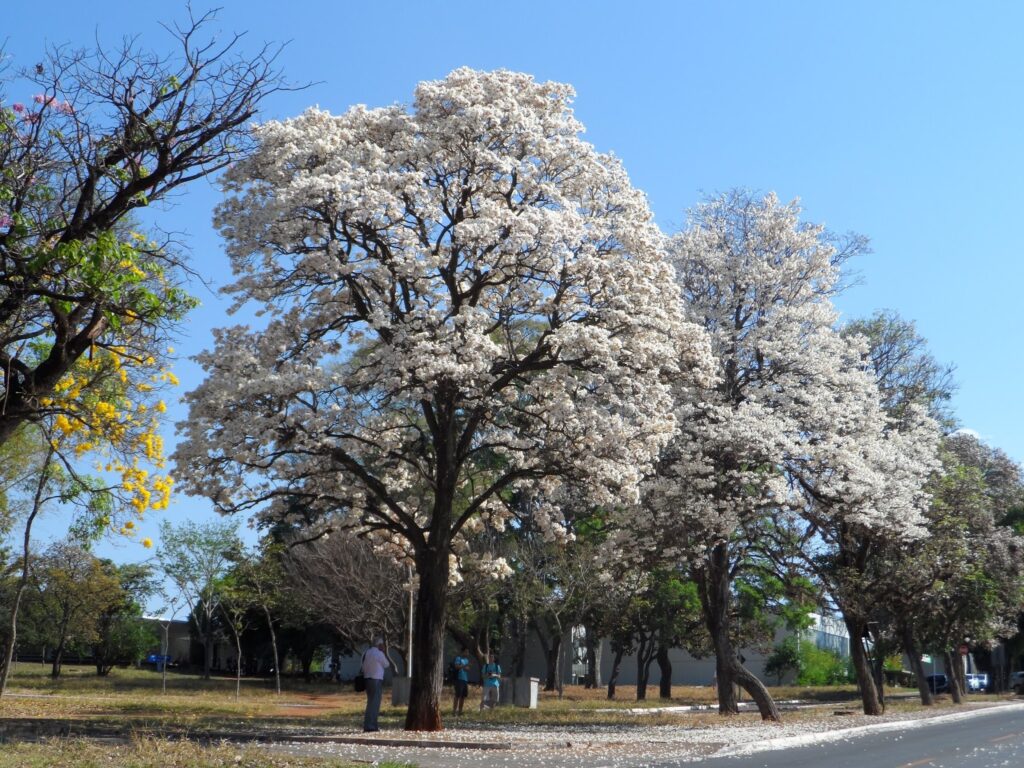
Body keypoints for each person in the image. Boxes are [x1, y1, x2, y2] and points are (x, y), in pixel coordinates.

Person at [361, 637, 389, 732]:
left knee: (370, 702)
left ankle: (368, 724)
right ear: (379, 645)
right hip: (376, 680)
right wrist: (383, 652)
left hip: (367, 679)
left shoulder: (366, 652)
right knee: (375, 704)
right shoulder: (379, 653)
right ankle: (371, 726)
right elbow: (386, 664)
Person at [452, 646, 470, 714]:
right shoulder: (458, 658)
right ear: (462, 652)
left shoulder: (467, 660)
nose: (467, 653)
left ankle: (460, 711)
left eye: (468, 652)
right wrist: (463, 666)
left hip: (465, 679)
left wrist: (466, 668)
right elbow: (456, 666)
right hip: (459, 679)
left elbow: (467, 668)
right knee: (457, 695)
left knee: (463, 696)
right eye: (466, 652)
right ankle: (454, 711)